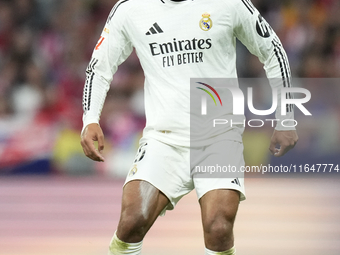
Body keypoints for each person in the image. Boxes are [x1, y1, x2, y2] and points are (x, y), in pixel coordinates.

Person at [80, 0, 298, 254]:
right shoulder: (131, 8)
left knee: (218, 226)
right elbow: (100, 65)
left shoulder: (229, 3)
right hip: (163, 139)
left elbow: (273, 51)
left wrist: (286, 116)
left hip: (219, 136)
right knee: (132, 221)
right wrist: (90, 118)